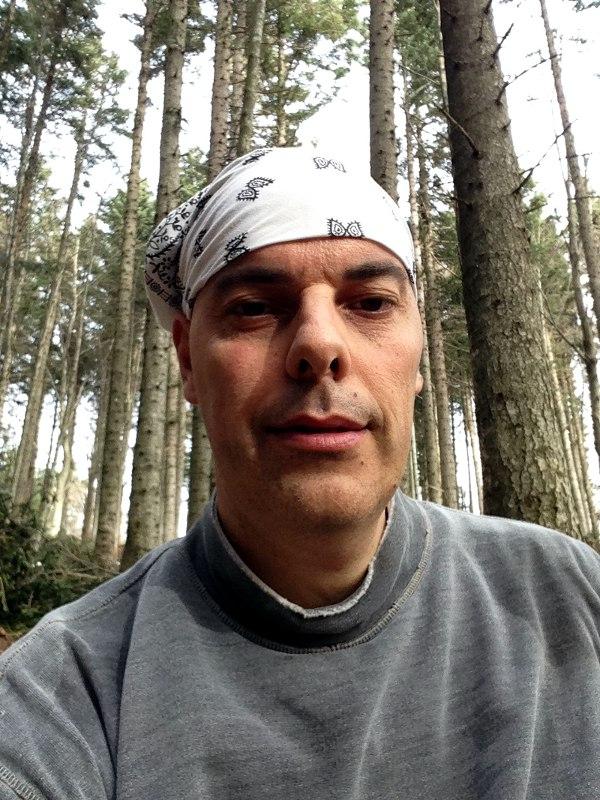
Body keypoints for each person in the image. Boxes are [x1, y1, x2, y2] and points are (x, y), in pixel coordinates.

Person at [1, 146, 599, 800]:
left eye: (370, 303)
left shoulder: (568, 596)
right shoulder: (60, 696)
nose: (319, 345)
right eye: (255, 307)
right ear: (189, 361)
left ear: (420, 353)